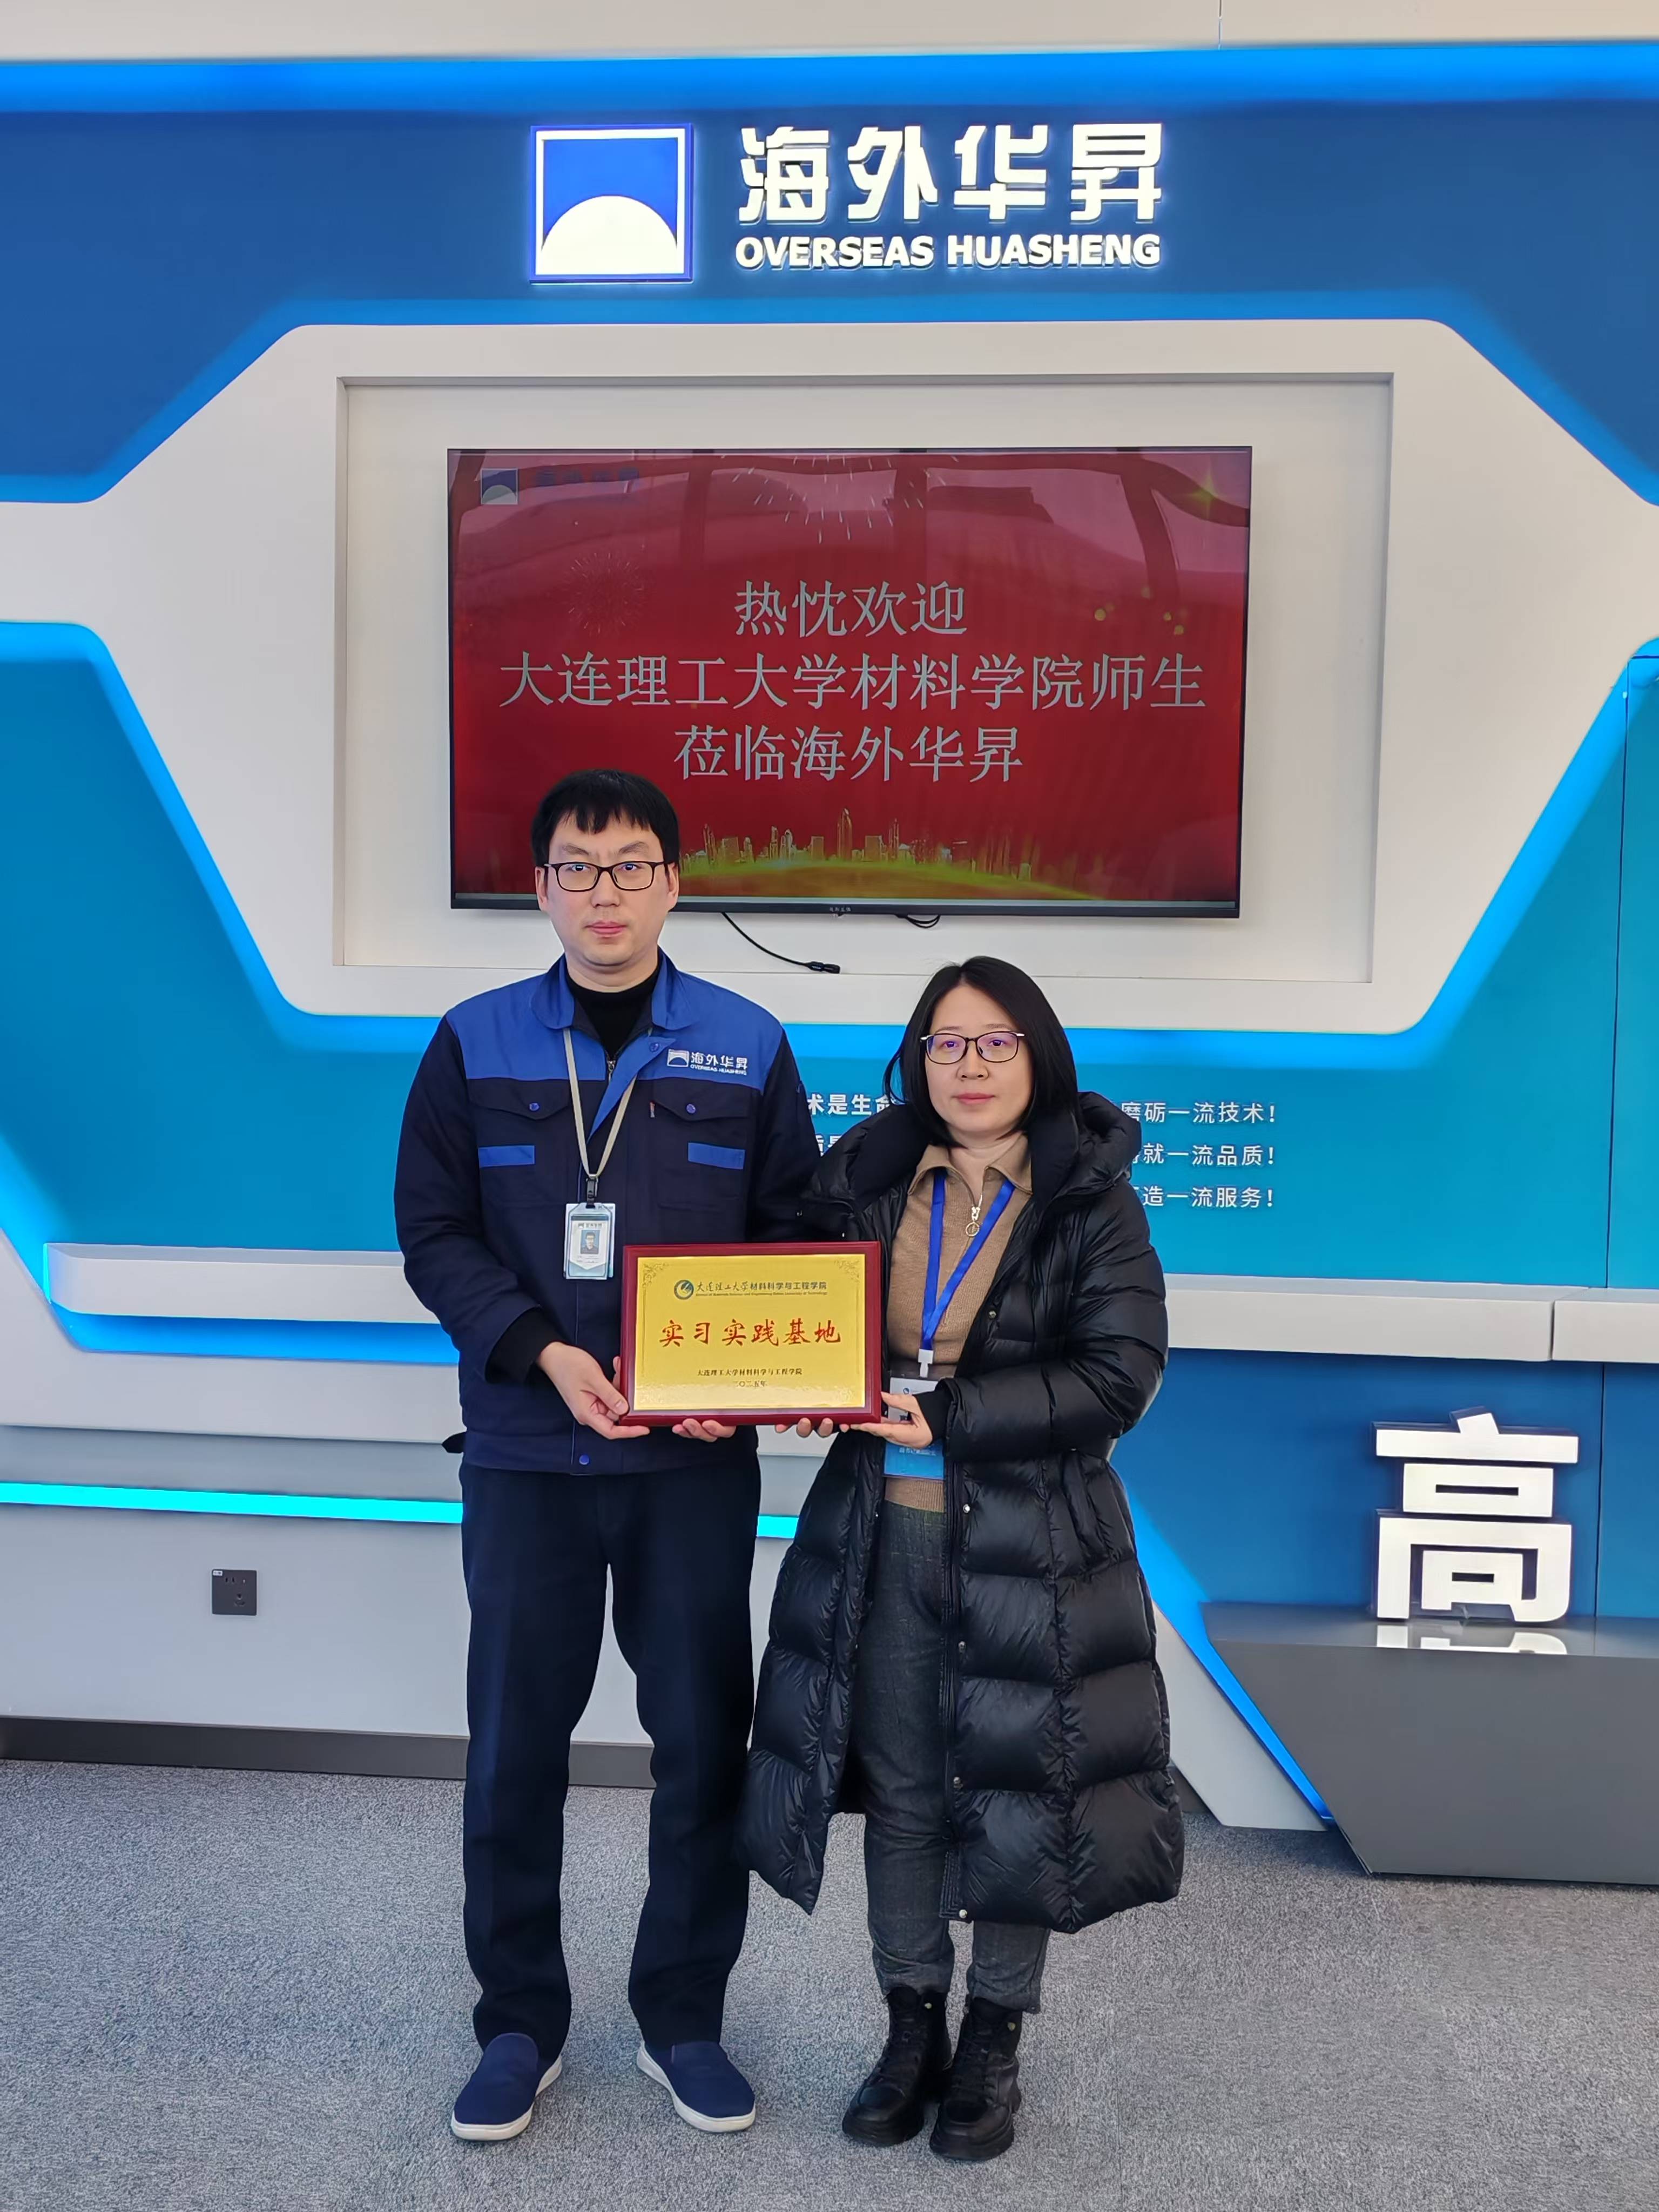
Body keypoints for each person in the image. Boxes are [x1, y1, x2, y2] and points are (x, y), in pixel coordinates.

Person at [395, 769, 820, 2145]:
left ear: (673, 882)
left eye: (632, 865)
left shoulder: (747, 1043)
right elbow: (434, 1231)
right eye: (577, 868)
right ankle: (517, 2022)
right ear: (542, 888)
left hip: (688, 1470)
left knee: (701, 1744)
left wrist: (735, 1381)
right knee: (514, 1746)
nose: (605, 893)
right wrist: (539, 1349)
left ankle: (683, 2015)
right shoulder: (473, 1042)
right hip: (527, 1451)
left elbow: (793, 1235)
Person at [739, 956, 1181, 2163]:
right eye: (945, 1043)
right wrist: (796, 1386)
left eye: (995, 1042)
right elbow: (795, 1318)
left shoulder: (1090, 1200)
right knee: (902, 1788)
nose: (969, 1065)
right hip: (879, 1533)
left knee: (1018, 1786)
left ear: (1039, 1057)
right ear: (916, 1060)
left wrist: (953, 1414)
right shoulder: (871, 1182)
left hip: (1033, 1541)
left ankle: (993, 2034)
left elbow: (1119, 1376)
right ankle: (909, 2022)